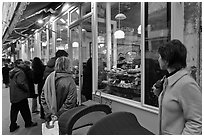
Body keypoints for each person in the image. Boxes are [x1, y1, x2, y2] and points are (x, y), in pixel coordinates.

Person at [152, 39, 202, 135]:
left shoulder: (187, 84)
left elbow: (196, 122)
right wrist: (160, 94)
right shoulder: (169, 79)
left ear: (166, 61)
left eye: (160, 56)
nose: (158, 59)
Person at [41, 56, 77, 122]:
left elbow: (43, 97)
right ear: (67, 66)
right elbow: (70, 102)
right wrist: (57, 115)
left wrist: (49, 112)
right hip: (65, 117)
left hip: (50, 115)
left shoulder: (49, 78)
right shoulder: (70, 81)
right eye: (70, 66)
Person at [9, 59, 37, 132]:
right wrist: (26, 89)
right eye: (22, 63)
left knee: (14, 111)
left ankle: (12, 125)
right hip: (20, 94)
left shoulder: (13, 71)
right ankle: (28, 123)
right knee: (25, 110)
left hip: (14, 94)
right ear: (18, 64)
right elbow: (20, 83)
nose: (24, 64)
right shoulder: (20, 72)